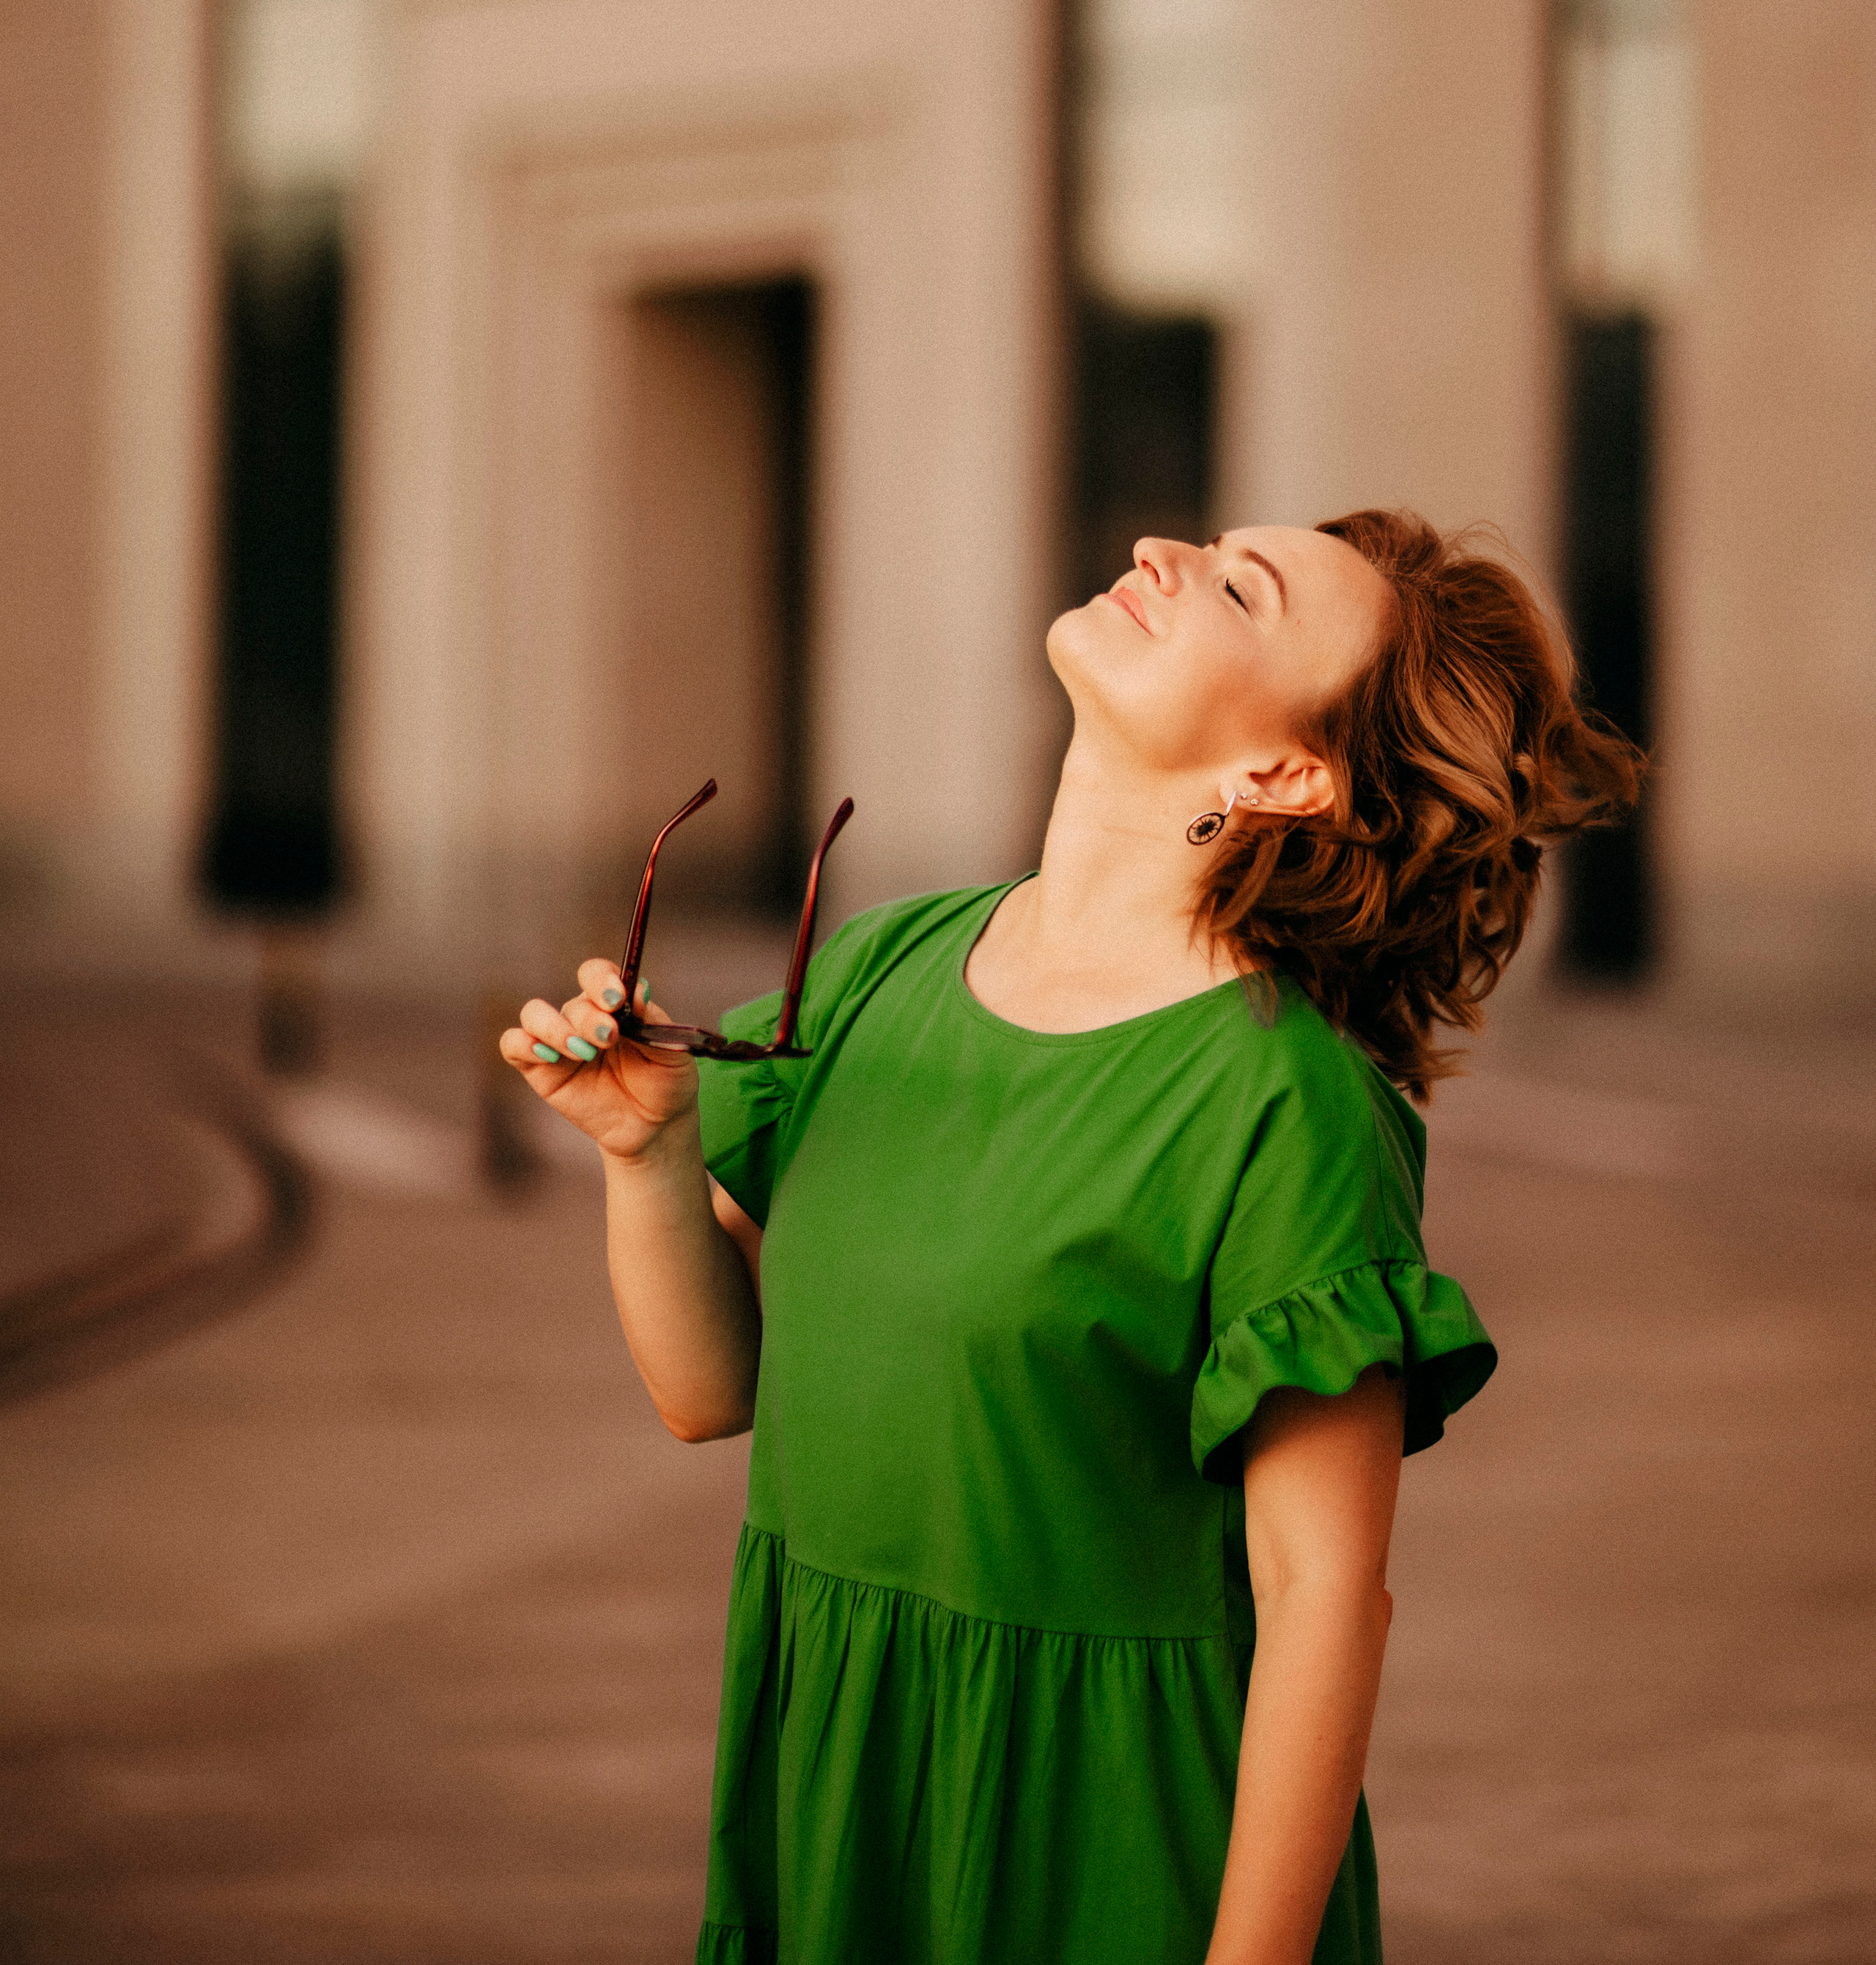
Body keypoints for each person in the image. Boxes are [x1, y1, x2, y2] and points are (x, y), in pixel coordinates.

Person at [503, 508, 1642, 1965]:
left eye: (1241, 584)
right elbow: (707, 1391)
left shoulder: (1281, 1103)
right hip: (837, 1789)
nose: (1165, 547)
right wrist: (647, 1152)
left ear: (1279, 773)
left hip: (1107, 1845)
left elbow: (1320, 1599)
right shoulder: (875, 970)